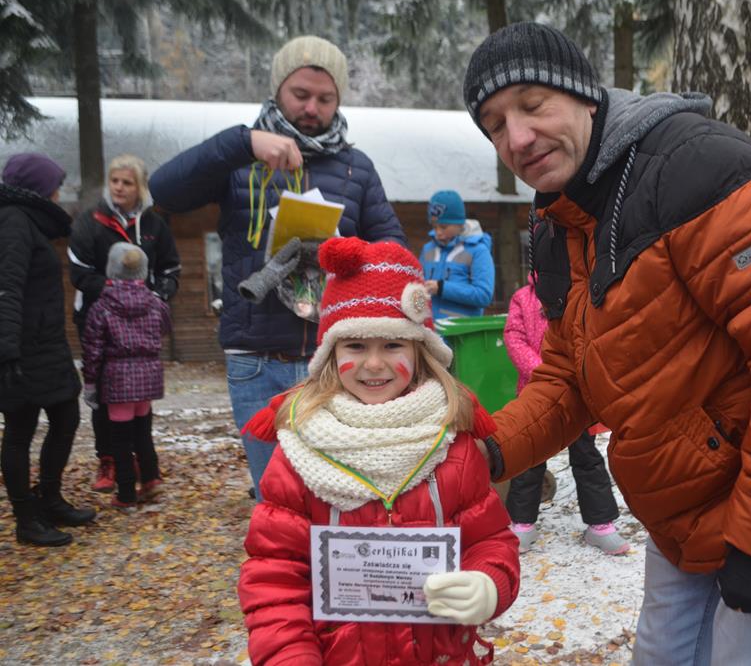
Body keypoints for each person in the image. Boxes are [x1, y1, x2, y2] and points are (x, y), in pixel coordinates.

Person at [463, 23, 751, 664]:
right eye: (496, 125)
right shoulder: (561, 218)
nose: (518, 138)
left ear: (585, 95)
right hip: (686, 496)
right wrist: (487, 451)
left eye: (533, 105)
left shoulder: (699, 167)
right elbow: (568, 376)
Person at [237, 236, 519, 665]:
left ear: (419, 351)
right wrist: (290, 656)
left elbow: (489, 539)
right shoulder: (301, 449)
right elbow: (274, 577)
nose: (373, 364)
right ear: (330, 354)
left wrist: (489, 583)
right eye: (355, 345)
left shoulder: (450, 443)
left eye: (391, 345)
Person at [149, 35, 407, 501]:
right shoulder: (238, 160)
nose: (312, 108)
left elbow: (392, 245)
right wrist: (243, 143)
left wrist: (350, 255)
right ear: (277, 90)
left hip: (334, 360)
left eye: (325, 99)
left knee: (344, 496)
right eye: (300, 94)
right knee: (276, 498)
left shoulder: (356, 168)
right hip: (255, 361)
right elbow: (165, 190)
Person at [68, 154, 180, 494]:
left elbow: (170, 269)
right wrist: (118, 292)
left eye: (127, 182)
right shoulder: (90, 222)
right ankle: (109, 459)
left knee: (138, 394)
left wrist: (156, 297)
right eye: (114, 181)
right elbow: (79, 273)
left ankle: (143, 461)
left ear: (140, 187)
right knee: (105, 394)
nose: (119, 187)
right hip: (98, 317)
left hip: (141, 319)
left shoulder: (155, 225)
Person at [0, 153, 96, 546]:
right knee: (19, 430)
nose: (59, 192)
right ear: (38, 188)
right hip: (21, 348)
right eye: (55, 185)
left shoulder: (29, 221)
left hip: (46, 344)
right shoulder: (13, 221)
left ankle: (50, 499)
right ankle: (26, 518)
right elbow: (7, 286)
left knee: (66, 417)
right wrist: (7, 351)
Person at [503, 275, 628, 555]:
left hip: (576, 394)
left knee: (586, 458)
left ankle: (601, 524)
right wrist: (545, 374)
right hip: (536, 394)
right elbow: (514, 337)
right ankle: (522, 522)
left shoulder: (582, 294)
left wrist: (574, 374)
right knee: (529, 458)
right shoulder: (523, 298)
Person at [80, 242, 172, 508]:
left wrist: (90, 382)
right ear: (143, 270)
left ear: (111, 270)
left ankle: (126, 494)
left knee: (120, 440)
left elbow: (93, 349)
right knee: (143, 432)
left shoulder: (101, 307)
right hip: (148, 376)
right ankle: (151, 479)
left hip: (118, 379)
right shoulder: (156, 304)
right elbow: (165, 328)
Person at [420, 190, 495, 320]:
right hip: (428, 328)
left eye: (443, 227)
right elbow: (418, 287)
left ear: (459, 224)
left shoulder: (478, 251)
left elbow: (484, 295)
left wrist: (442, 288)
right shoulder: (427, 249)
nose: (438, 232)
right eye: (434, 226)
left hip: (463, 329)